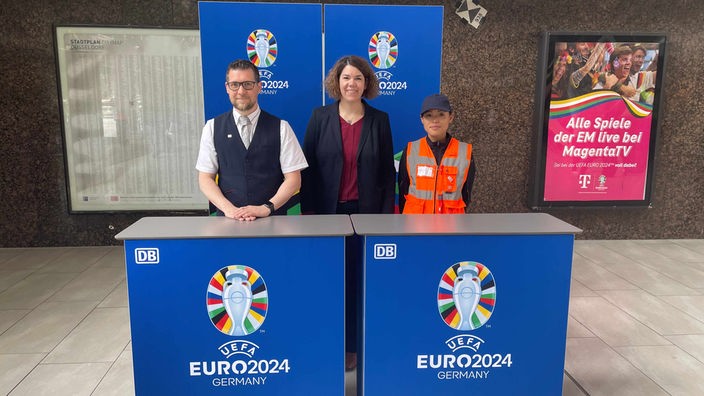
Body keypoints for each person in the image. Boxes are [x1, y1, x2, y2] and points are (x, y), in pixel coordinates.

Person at [300, 55, 395, 371]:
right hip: (328, 215)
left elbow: (385, 174)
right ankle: (329, 341)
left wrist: (383, 219)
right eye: (345, 78)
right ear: (335, 83)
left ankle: (354, 347)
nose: (351, 83)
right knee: (329, 280)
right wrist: (310, 214)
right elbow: (308, 171)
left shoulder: (379, 120)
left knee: (361, 281)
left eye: (357, 78)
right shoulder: (319, 117)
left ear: (366, 82)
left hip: (366, 216)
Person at [195, 59, 308, 221]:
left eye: (247, 84)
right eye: (234, 84)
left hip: (273, 220)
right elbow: (205, 178)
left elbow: (294, 179)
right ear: (227, 88)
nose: (241, 91)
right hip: (228, 221)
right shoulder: (212, 127)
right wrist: (230, 210)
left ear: (259, 87)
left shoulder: (281, 127)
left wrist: (266, 208)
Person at [398, 94, 476, 214]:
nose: (435, 120)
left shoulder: (464, 152)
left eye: (441, 114)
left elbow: (466, 194)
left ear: (450, 117)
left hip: (452, 226)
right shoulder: (410, 150)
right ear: (422, 119)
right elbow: (403, 190)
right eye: (429, 115)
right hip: (415, 226)